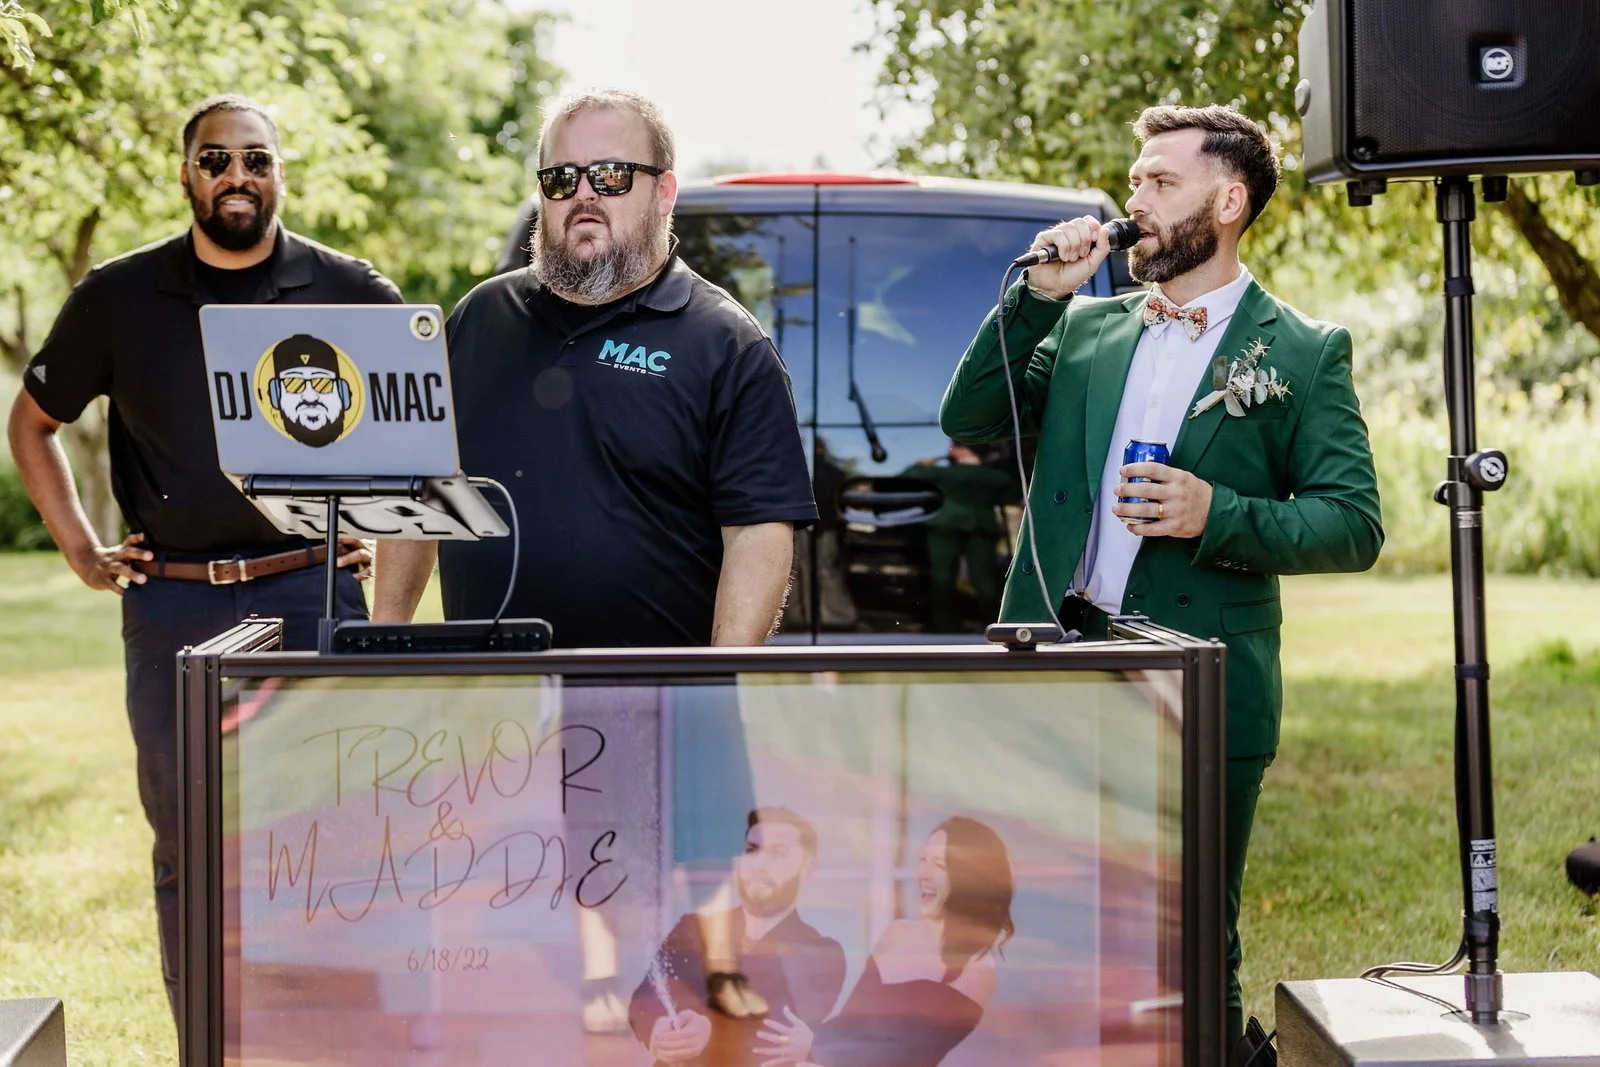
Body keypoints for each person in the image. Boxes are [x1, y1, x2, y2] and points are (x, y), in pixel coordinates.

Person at [938, 104, 1384, 1053]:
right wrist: (1037, 297)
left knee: (1188, 940)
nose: (1133, 198)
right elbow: (970, 413)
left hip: (1204, 686)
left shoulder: (1302, 352)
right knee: (1040, 928)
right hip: (1056, 664)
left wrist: (1212, 512)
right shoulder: (1088, 326)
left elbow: (1354, 524)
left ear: (1227, 202)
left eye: (1159, 181)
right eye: (1134, 179)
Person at [371, 88, 817, 1018]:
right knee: (547, 881)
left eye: (610, 175)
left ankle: (717, 975)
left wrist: (715, 678)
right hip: (498, 696)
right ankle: (597, 984)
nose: (583, 193)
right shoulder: (477, 322)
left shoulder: (725, 342)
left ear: (664, 192)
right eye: (560, 176)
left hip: (662, 685)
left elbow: (761, 527)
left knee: (700, 854)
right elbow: (413, 493)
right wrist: (383, 645)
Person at [5, 93, 401, 1020]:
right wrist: (79, 548)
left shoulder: (353, 292)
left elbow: (414, 437)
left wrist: (374, 533)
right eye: (216, 160)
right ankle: (208, 1039)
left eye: (255, 159)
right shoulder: (118, 295)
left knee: (327, 833)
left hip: (310, 594)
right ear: (186, 173)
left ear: (280, 172)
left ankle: (319, 1034)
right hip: (173, 607)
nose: (237, 177)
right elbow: (33, 424)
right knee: (190, 837)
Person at [755, 816, 1015, 1067]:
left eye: (940, 864)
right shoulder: (897, 933)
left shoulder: (978, 968)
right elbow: (848, 1019)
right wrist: (796, 1043)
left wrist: (816, 1047)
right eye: (923, 859)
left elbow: (904, 1053)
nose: (923, 872)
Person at [631, 808, 847, 1066]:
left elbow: (775, 1020)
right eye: (751, 850)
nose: (760, 865)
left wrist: (703, 1024)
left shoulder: (821, 951)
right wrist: (658, 1026)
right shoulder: (694, 927)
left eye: (778, 854)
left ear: (808, 868)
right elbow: (648, 996)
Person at [903, 442, 1014, 632]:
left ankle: (944, 625)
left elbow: (907, 478)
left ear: (961, 449)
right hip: (981, 526)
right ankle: (996, 622)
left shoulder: (944, 473)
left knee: (942, 576)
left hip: (946, 526)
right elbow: (1009, 496)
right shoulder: (996, 477)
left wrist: (919, 465)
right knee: (984, 579)